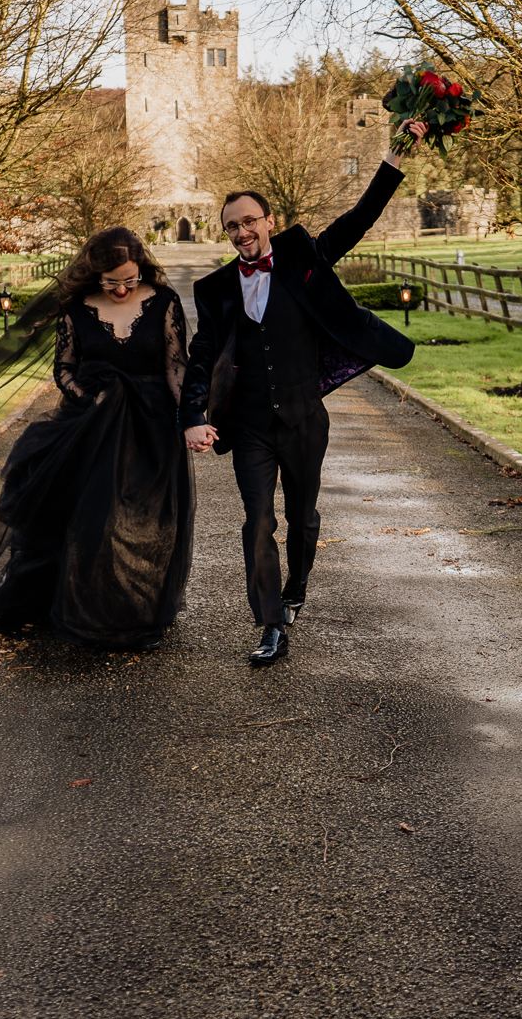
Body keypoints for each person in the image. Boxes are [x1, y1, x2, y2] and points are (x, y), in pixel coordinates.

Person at [180, 122, 427, 665]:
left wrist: (395, 156)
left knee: (304, 518)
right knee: (257, 520)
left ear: (269, 222)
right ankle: (270, 624)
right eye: (232, 227)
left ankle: (296, 590)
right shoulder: (215, 290)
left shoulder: (303, 257)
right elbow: (201, 356)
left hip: (303, 419)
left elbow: (358, 220)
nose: (242, 232)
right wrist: (192, 415)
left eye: (250, 221)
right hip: (246, 426)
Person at [0, 229, 194, 650]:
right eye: (111, 282)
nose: (122, 288)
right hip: (90, 426)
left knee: (140, 522)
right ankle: (86, 607)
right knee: (93, 521)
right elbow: (64, 370)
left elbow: (176, 365)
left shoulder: (164, 302)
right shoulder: (75, 309)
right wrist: (91, 398)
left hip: (151, 426)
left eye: (129, 278)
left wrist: (190, 417)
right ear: (95, 275)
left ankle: (131, 606)